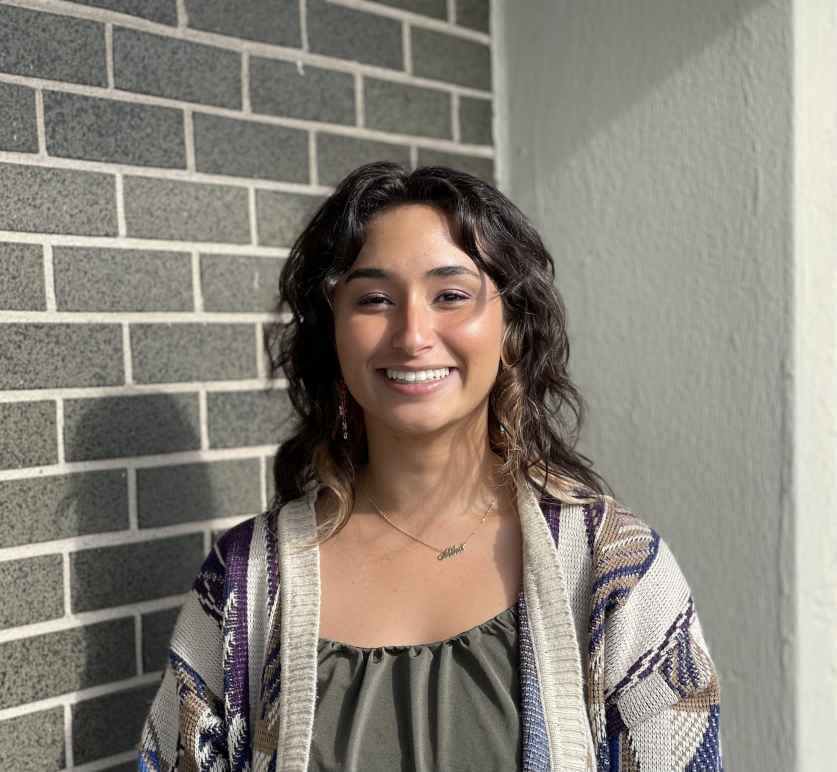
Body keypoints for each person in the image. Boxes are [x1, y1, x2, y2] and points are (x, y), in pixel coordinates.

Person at [137, 162, 723, 771]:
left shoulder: (614, 573)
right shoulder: (246, 583)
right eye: (375, 300)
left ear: (510, 326)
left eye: (450, 295)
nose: (413, 334)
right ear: (332, 331)